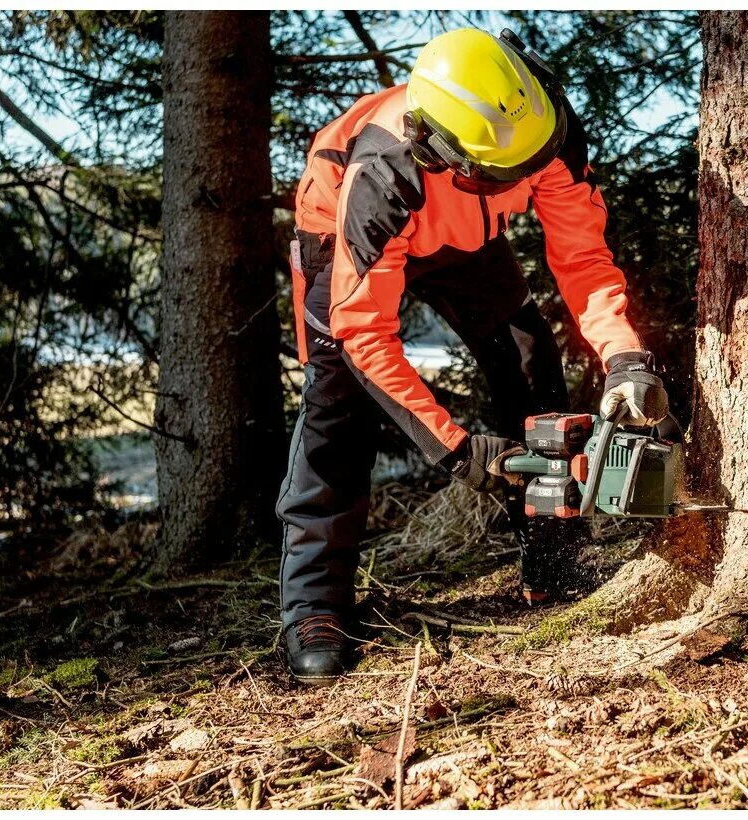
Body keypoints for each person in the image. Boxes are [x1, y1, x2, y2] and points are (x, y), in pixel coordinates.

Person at [278, 28, 670, 683]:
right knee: (336, 405)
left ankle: (553, 556)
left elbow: (582, 258)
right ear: (441, 151)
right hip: (343, 238)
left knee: (529, 362)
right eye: (508, 175)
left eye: (532, 164)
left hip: (467, 235)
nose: (529, 181)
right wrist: (455, 449)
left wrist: (624, 358)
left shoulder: (541, 128)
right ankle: (314, 606)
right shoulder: (383, 175)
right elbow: (363, 333)